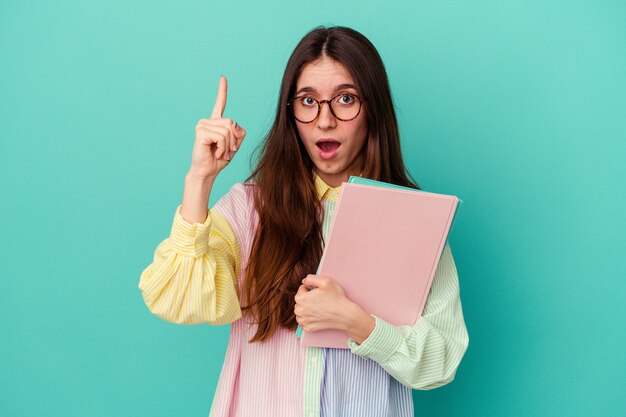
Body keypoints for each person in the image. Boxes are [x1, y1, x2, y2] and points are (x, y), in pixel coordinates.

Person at [139, 25, 469, 417]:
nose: (324, 120)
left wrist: (358, 323)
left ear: (373, 110)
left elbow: (441, 360)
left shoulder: (416, 221)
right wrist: (199, 180)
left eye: (345, 99)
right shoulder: (249, 209)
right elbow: (176, 297)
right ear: (290, 113)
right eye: (308, 101)